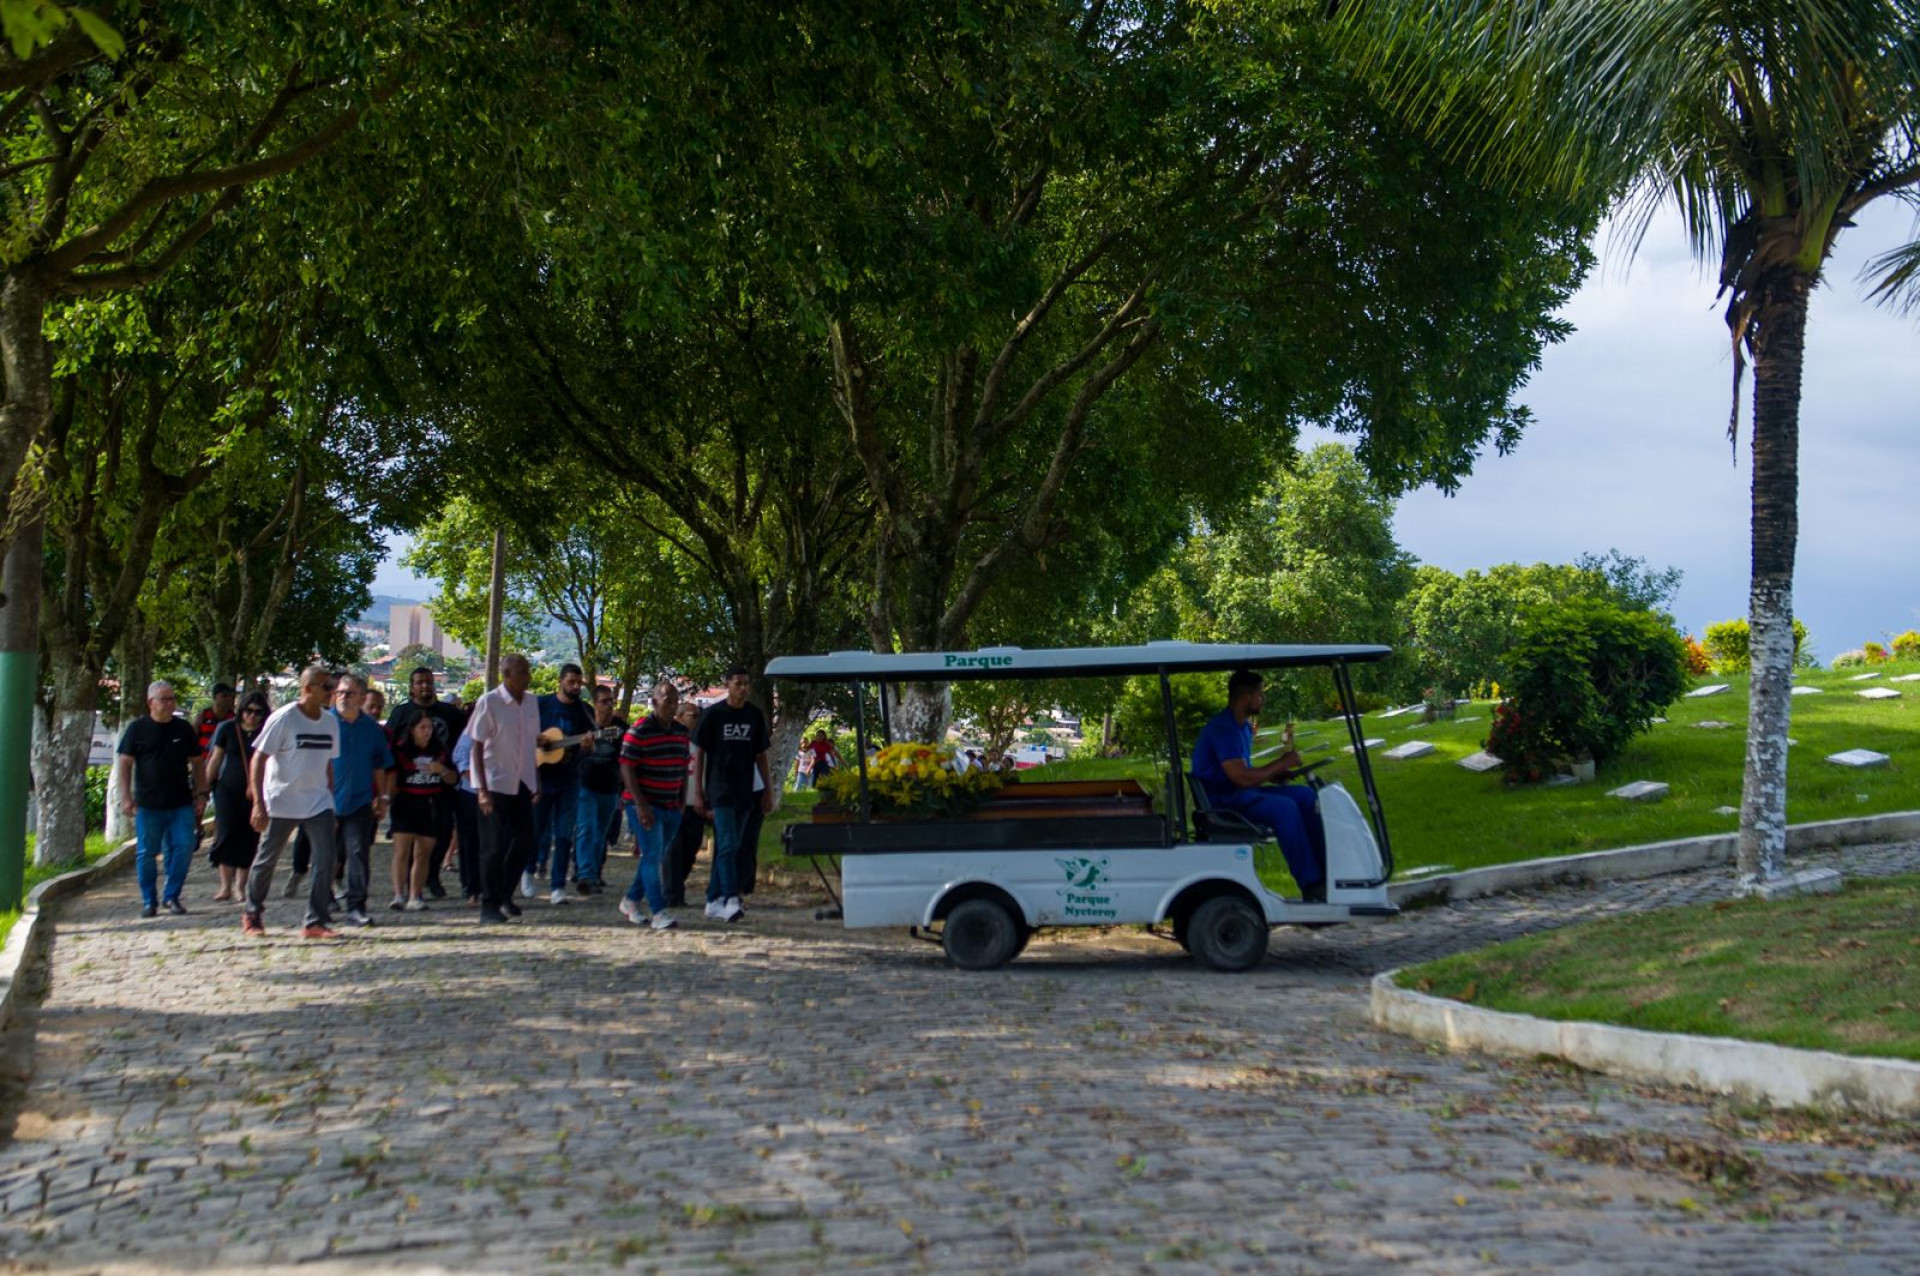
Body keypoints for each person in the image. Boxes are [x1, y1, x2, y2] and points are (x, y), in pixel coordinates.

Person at [1189, 669, 1327, 902]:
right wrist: (1281, 763)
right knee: (1285, 809)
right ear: (1245, 697)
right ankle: (1311, 884)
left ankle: (1327, 871)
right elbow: (1241, 778)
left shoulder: (1241, 726)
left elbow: (1242, 771)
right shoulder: (1225, 729)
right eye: (1260, 695)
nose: (1262, 699)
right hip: (1223, 801)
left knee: (1305, 796)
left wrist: (1273, 774)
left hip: (1238, 792)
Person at [243, 665, 343, 938]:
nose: (331, 693)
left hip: (318, 801)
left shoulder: (330, 721)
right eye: (326, 687)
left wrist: (331, 801)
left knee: (326, 858)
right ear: (307, 689)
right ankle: (253, 913)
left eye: (332, 687)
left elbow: (328, 765)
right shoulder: (284, 718)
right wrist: (259, 804)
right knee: (267, 859)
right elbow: (258, 759)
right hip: (282, 800)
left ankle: (315, 921)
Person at [115, 680, 207, 918]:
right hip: (148, 805)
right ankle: (149, 900)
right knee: (147, 853)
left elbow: (198, 763)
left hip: (181, 803)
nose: (169, 704)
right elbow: (124, 763)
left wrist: (201, 793)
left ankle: (172, 895)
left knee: (184, 848)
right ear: (150, 703)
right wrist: (125, 796)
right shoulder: (137, 729)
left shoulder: (183, 729)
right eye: (164, 699)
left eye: (172, 698)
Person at [689, 665, 772, 923]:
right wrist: (699, 791)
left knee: (733, 845)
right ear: (727, 685)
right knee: (726, 843)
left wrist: (768, 790)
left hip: (745, 789)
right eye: (738, 684)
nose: (743, 688)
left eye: (746, 684)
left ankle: (713, 898)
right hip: (719, 788)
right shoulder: (714, 715)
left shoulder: (754, 715)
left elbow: (761, 756)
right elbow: (699, 752)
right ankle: (729, 898)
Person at [468, 653, 541, 925]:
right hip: (494, 781)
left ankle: (504, 894)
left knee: (525, 841)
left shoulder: (532, 702)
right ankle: (488, 904)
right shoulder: (490, 702)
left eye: (527, 671)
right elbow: (475, 744)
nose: (527, 676)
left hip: (522, 781)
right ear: (506, 674)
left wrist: (537, 782)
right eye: (521, 672)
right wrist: (482, 790)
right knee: (493, 846)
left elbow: (532, 743)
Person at [385, 667, 464, 900]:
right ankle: (408, 885)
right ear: (412, 686)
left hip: (442, 785)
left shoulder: (449, 713)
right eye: (420, 682)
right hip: (408, 785)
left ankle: (432, 877)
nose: (425, 686)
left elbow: (464, 739)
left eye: (429, 682)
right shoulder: (401, 713)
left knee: (440, 835)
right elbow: (388, 743)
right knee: (406, 840)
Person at [618, 680, 690, 929]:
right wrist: (640, 805)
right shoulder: (639, 730)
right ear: (654, 701)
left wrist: (682, 800)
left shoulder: (681, 732)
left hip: (672, 804)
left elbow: (683, 767)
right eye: (666, 699)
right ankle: (659, 911)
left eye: (675, 700)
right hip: (645, 804)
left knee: (656, 855)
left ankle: (631, 899)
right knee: (652, 855)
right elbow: (626, 767)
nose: (671, 704)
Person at [330, 673, 395, 928]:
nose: (343, 697)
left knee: (358, 853)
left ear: (361, 697)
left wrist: (382, 797)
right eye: (340, 692)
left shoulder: (371, 730)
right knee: (327, 855)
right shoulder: (324, 723)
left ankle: (356, 906)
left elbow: (380, 766)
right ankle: (321, 901)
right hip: (325, 801)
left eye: (349, 693)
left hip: (360, 800)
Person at [530, 663, 594, 904]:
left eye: (579, 683)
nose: (576, 687)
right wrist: (537, 741)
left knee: (564, 833)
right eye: (571, 682)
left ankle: (558, 886)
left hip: (569, 779)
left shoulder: (584, 711)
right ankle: (528, 870)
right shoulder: (542, 704)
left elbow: (587, 750)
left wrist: (588, 748)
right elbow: (527, 735)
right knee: (536, 829)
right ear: (560, 681)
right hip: (541, 776)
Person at [204, 692, 269, 902]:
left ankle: (241, 887)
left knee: (250, 838)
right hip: (227, 791)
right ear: (241, 710)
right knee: (225, 835)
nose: (252, 716)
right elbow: (215, 759)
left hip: (255, 793)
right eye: (249, 711)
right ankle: (225, 886)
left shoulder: (266, 732)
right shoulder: (227, 729)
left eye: (258, 712)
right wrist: (203, 789)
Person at [391, 714, 456, 910]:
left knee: (422, 854)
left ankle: (415, 895)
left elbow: (453, 779)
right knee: (401, 852)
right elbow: (392, 776)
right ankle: (398, 895)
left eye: (430, 728)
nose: (427, 731)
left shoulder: (441, 751)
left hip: (430, 803)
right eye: (423, 727)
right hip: (405, 803)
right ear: (412, 729)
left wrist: (442, 771)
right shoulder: (400, 750)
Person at [576, 685, 627, 894]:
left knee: (600, 834)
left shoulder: (620, 728)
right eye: (604, 701)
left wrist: (623, 788)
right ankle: (585, 874)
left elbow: (626, 758)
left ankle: (595, 872)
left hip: (609, 786)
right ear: (595, 703)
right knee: (586, 829)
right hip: (585, 784)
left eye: (611, 701)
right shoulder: (583, 723)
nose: (608, 705)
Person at [664, 700, 705, 907]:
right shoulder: (671, 740)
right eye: (693, 716)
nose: (697, 720)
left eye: (698, 715)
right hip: (673, 803)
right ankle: (673, 894)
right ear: (679, 717)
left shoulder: (701, 743)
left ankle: (675, 884)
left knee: (691, 847)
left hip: (696, 804)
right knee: (674, 849)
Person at [448, 726, 483, 906]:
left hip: (498, 790)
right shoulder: (471, 731)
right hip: (470, 792)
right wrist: (477, 783)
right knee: (469, 842)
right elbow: (460, 757)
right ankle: (471, 887)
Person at [196, 683, 236, 752]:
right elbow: (191, 739)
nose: (228, 698)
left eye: (230, 696)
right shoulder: (203, 716)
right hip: (202, 759)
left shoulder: (233, 718)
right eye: (224, 695)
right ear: (215, 697)